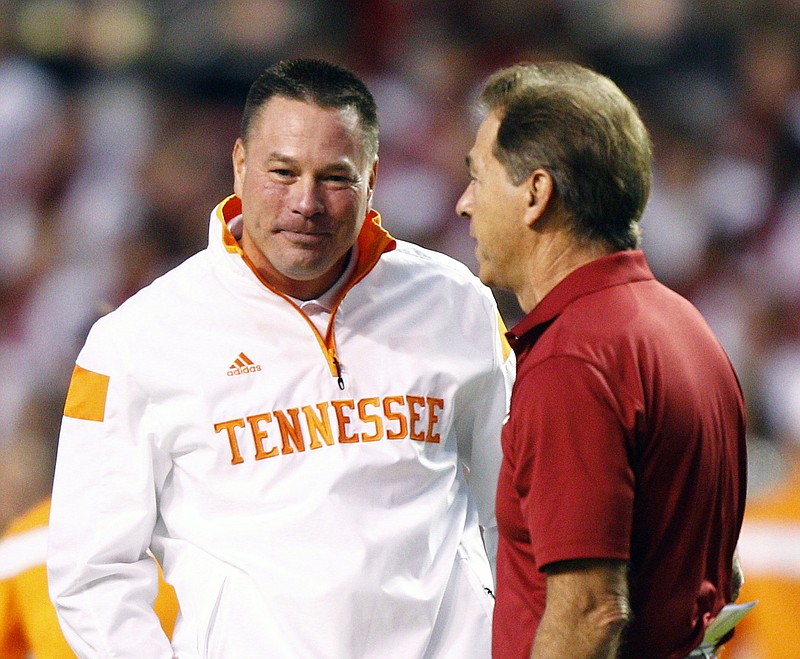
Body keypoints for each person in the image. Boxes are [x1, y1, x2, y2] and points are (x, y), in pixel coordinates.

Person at [47, 58, 514, 658]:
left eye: (335, 177)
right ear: (239, 165)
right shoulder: (136, 340)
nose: (306, 202)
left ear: (374, 175)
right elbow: (91, 571)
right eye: (282, 171)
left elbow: (514, 511)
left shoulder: (457, 304)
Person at [456, 61, 747, 658]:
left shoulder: (575, 361)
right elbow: (722, 577)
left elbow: (591, 612)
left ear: (536, 193)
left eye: (479, 178)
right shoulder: (683, 325)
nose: (463, 204)